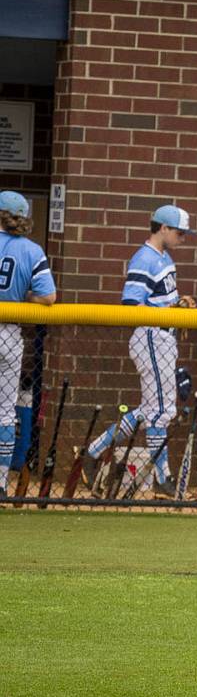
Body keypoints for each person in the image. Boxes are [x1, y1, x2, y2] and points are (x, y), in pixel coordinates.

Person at [85, 204, 196, 495]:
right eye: (179, 232)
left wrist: (175, 306)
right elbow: (131, 304)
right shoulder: (144, 258)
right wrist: (168, 310)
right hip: (150, 336)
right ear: (163, 228)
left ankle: (94, 451)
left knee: (152, 410)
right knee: (161, 411)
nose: (183, 238)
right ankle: (163, 477)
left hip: (163, 338)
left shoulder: (164, 257)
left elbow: (159, 299)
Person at [0, 191, 57, 497]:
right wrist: (24, 296)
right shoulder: (32, 250)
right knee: (6, 412)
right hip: (9, 334)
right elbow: (49, 297)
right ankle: (0, 484)